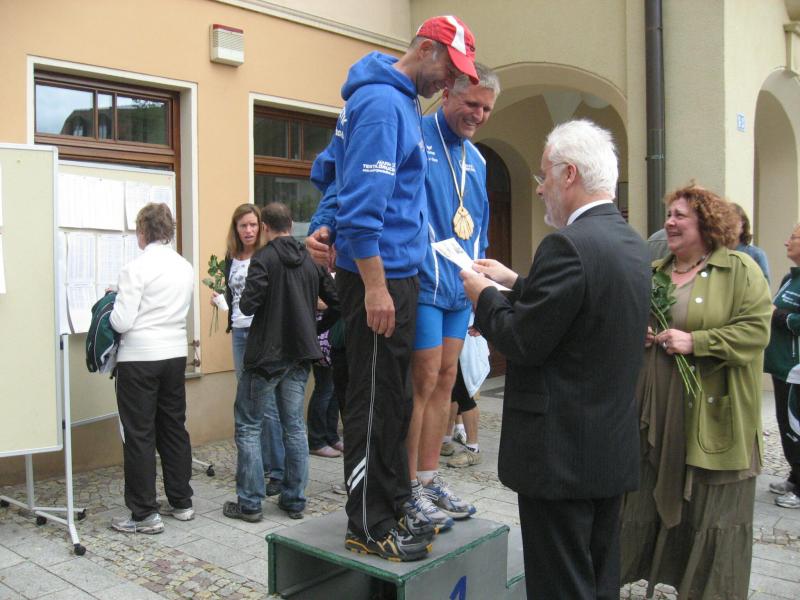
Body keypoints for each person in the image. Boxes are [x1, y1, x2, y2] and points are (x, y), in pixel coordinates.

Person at [307, 15, 479, 561]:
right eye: (449, 69)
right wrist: (375, 287)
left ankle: (395, 499)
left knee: (395, 399)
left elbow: (333, 171)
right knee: (374, 403)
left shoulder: (396, 99)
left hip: (398, 273)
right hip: (380, 277)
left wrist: (324, 221)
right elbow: (363, 208)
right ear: (425, 49)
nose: (451, 82)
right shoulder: (384, 103)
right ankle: (368, 523)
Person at [461, 119, 651, 599]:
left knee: (560, 586)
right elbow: (580, 309)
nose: (540, 187)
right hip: (606, 450)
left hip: (561, 455)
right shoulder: (629, 241)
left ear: (569, 174)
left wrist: (484, 296)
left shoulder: (567, 244)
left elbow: (523, 341)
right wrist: (514, 282)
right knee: (599, 578)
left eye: (544, 174)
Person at [619, 185, 771, 599]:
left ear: (706, 222)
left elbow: (755, 331)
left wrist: (696, 341)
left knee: (712, 511)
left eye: (680, 215)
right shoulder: (655, 272)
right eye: (668, 214)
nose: (669, 222)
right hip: (657, 412)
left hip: (715, 416)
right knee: (642, 499)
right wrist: (640, 333)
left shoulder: (739, 270)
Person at [402, 63, 499, 532]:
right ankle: (406, 488)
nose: (478, 114)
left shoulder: (477, 160)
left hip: (460, 291)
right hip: (424, 282)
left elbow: (478, 228)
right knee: (421, 382)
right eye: (471, 103)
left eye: (486, 109)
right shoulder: (415, 137)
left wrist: (481, 290)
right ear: (446, 95)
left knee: (446, 382)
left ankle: (429, 476)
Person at [223, 203, 338, 522]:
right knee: (295, 426)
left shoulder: (263, 258)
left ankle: (250, 503)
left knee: (249, 424)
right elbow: (337, 302)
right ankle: (294, 499)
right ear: (290, 224)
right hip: (299, 356)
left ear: (265, 227)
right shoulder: (309, 260)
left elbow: (247, 304)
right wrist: (315, 329)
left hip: (266, 356)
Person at [110, 203, 194, 534]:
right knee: (173, 427)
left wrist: (114, 299)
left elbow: (121, 321)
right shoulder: (184, 266)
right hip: (174, 354)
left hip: (139, 357)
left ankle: (144, 513)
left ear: (143, 231)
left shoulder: (135, 268)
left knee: (139, 433)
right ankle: (181, 501)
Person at [217, 204, 285, 497]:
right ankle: (257, 464)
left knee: (266, 404)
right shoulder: (230, 258)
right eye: (243, 225)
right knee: (247, 401)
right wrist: (222, 303)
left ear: (261, 227)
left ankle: (277, 470)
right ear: (235, 229)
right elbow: (234, 297)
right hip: (239, 332)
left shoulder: (266, 255)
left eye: (253, 225)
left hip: (261, 333)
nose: (248, 231)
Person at [764, 223, 800, 509]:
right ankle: (794, 476)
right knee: (785, 425)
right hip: (780, 365)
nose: (787, 242)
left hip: (795, 368)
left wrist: (779, 316)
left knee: (796, 426)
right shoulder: (791, 278)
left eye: (793, 237)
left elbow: (786, 317)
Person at [307, 301, 343, 458]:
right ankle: (316, 441)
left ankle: (331, 437)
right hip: (322, 336)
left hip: (334, 334)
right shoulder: (318, 280)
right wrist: (337, 302)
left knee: (335, 392)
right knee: (324, 390)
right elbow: (315, 300)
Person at [730, 202, 770, 282]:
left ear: (742, 225)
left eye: (732, 221)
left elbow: (764, 285)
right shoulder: (713, 254)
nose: (728, 226)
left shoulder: (755, 254)